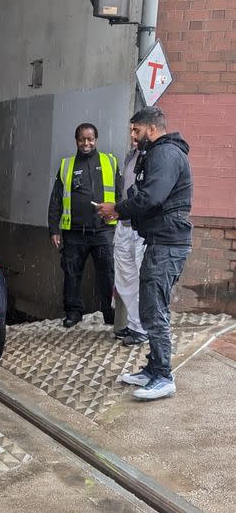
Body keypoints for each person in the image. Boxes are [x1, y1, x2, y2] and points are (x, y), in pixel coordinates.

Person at [95, 106, 193, 401]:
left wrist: (117, 210)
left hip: (167, 243)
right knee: (152, 304)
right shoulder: (160, 153)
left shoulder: (165, 154)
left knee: (154, 309)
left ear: (152, 129)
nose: (133, 136)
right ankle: (153, 368)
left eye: (136, 130)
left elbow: (152, 197)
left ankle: (163, 376)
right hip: (160, 240)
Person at [48, 123, 123, 328]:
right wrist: (54, 229)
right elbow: (55, 199)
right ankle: (73, 312)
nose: (86, 143)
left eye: (90, 139)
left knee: (107, 273)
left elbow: (120, 193)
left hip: (103, 230)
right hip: (74, 232)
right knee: (72, 273)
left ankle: (110, 314)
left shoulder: (110, 161)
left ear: (96, 140)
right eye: (82, 139)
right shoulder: (66, 165)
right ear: (76, 141)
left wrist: (117, 212)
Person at [114, 130, 148, 346]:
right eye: (130, 131)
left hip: (141, 228)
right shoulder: (129, 155)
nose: (133, 135)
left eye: (137, 131)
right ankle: (135, 324)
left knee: (143, 277)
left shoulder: (154, 157)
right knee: (125, 277)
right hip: (124, 223)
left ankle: (143, 328)